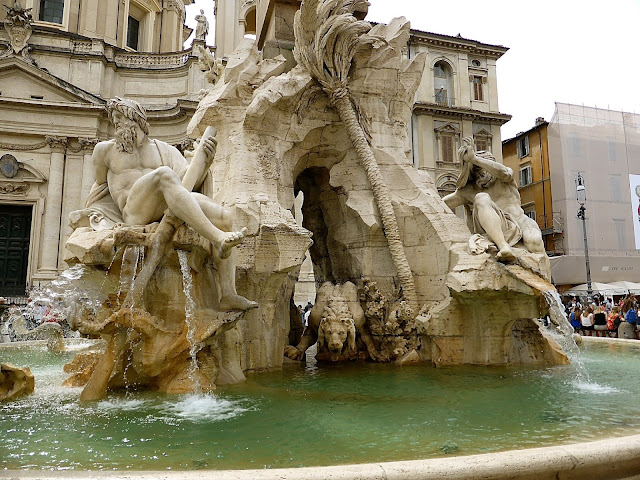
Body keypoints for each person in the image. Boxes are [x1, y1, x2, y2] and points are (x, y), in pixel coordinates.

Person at [84, 97, 256, 311]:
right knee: (164, 175)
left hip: (165, 208)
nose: (115, 122)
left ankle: (228, 293)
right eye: (113, 118)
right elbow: (100, 186)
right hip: (133, 212)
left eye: (119, 117)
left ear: (135, 118)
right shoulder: (104, 150)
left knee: (225, 217)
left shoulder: (164, 150)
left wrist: (205, 163)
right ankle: (218, 238)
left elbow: (186, 183)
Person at [443, 137, 545, 263]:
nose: (482, 174)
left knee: (534, 241)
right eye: (477, 171)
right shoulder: (469, 190)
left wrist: (475, 159)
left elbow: (503, 173)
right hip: (497, 229)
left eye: (484, 168)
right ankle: (504, 247)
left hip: (520, 221)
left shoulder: (504, 178)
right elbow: (441, 204)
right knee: (481, 197)